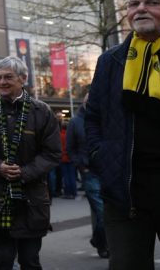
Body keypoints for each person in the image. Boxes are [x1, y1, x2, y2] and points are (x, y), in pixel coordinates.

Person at [85, 0, 160, 270]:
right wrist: (101, 156)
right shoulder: (110, 61)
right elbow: (94, 117)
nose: (141, 9)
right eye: (133, 4)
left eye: (151, 2)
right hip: (126, 193)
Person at [0, 56, 61, 270]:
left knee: (30, 261)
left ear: (23, 78)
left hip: (31, 200)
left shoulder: (41, 111)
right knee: (1, 260)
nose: (1, 82)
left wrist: (25, 172)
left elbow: (53, 153)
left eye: (8, 77)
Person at [66, 94, 107, 259]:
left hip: (106, 170)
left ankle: (100, 241)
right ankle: (101, 243)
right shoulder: (75, 121)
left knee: (106, 211)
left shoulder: (103, 118)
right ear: (83, 102)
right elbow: (71, 147)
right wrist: (81, 166)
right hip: (89, 172)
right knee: (102, 211)